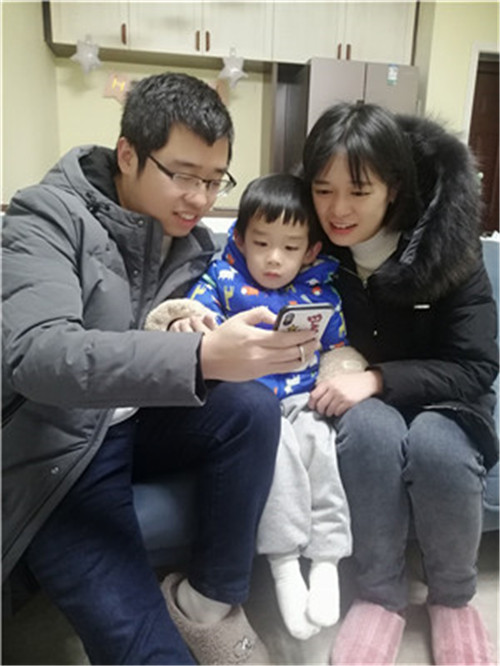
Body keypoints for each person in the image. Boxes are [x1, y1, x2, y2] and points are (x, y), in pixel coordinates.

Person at [2, 72, 322, 666]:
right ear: (128, 154)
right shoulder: (43, 217)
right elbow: (37, 355)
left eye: (214, 180)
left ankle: (209, 601)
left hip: (137, 421)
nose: (200, 198)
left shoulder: (193, 243)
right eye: (183, 175)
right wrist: (198, 356)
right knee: (150, 652)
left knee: (253, 408)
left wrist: (202, 335)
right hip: (63, 446)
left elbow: (170, 331)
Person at [301, 102, 499, 665]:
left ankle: (453, 599)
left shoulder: (449, 248)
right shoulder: (312, 248)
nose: (338, 209)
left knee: (439, 447)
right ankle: (379, 596)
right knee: (369, 434)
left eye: (359, 191)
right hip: (361, 398)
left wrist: (379, 378)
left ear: (393, 189)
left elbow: (475, 365)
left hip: (447, 397)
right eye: (323, 190)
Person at [146, 173, 367, 641]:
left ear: (311, 251)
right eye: (262, 243)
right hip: (250, 404)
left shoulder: (323, 292)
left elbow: (339, 351)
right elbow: (195, 314)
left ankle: (326, 561)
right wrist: (184, 325)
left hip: (304, 398)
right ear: (242, 239)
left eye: (290, 247)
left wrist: (343, 375)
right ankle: (285, 567)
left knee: (321, 448)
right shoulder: (223, 278)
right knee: (277, 452)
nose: (273, 258)